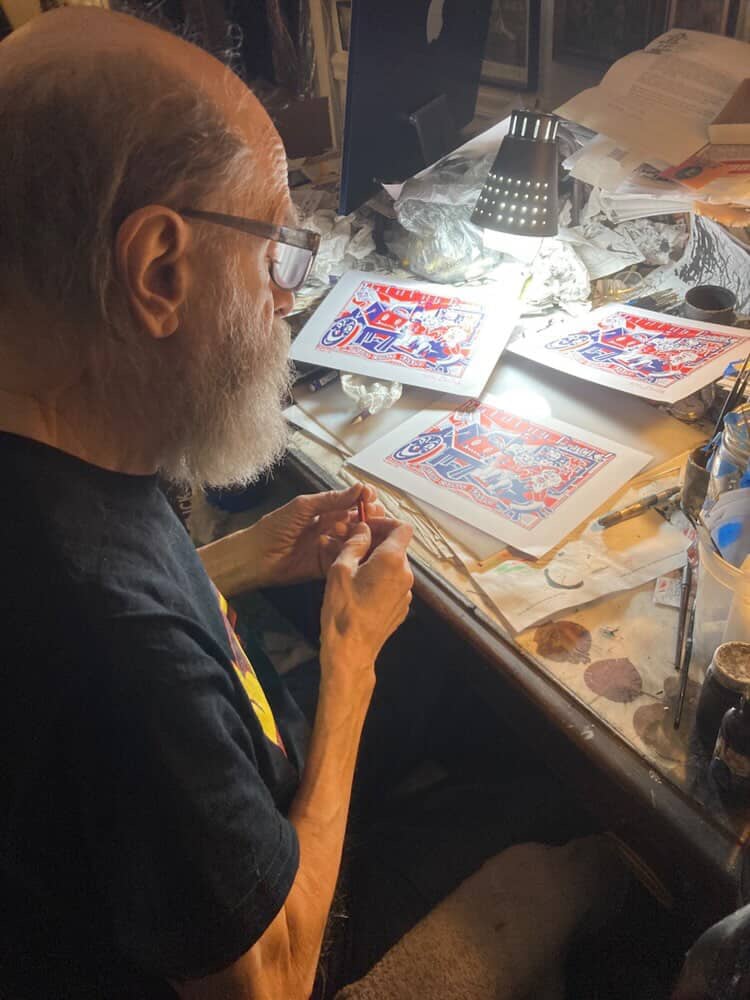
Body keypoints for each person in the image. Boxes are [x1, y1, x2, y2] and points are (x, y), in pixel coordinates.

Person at [0, 8, 622, 999]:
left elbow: (117, 610)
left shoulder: (62, 443)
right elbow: (274, 979)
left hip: (217, 786)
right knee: (560, 794)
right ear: (159, 270)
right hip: (300, 927)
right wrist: (349, 670)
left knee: (448, 673)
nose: (287, 297)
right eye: (274, 252)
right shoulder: (118, 649)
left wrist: (233, 559)